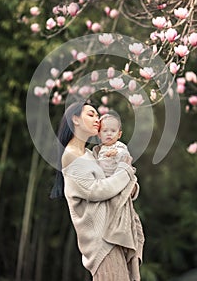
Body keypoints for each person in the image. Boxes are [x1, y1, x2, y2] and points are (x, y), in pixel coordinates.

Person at [55, 101, 139, 281]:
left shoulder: (90, 153)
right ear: (75, 120)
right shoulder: (70, 154)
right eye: (91, 115)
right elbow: (96, 190)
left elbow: (110, 179)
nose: (97, 119)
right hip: (101, 241)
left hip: (111, 234)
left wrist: (131, 186)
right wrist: (125, 169)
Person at [93, 112, 145, 281]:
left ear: (119, 134)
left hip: (120, 192)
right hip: (105, 198)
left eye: (113, 131)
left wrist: (130, 185)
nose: (109, 134)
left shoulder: (120, 148)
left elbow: (126, 166)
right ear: (99, 133)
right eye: (105, 130)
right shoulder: (94, 153)